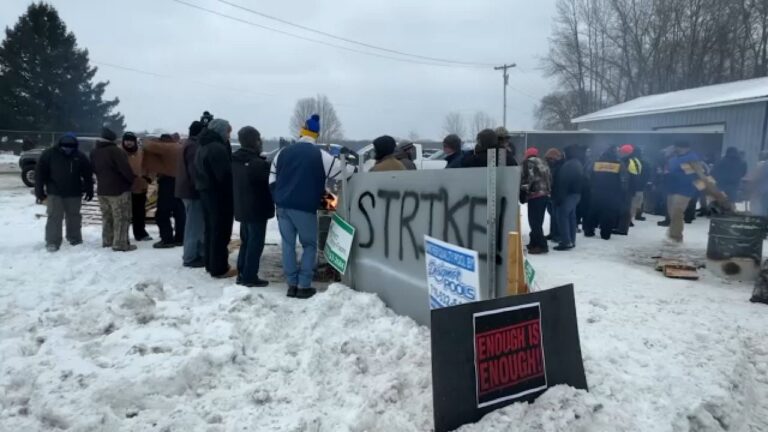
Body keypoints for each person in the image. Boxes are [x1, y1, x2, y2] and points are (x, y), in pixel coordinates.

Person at [270, 114, 350, 299]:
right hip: (304, 209)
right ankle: (304, 285)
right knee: (309, 245)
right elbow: (343, 173)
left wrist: (279, 197)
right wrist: (328, 201)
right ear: (316, 136)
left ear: (300, 134)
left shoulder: (283, 153)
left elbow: (272, 178)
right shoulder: (321, 155)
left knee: (288, 245)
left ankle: (291, 284)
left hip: (282, 207)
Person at [35, 134, 94, 252]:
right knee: (54, 217)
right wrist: (39, 191)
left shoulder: (80, 156)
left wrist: (89, 189)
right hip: (55, 192)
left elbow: (87, 174)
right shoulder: (49, 154)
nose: (68, 149)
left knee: (74, 217)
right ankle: (52, 241)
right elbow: (40, 175)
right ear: (60, 145)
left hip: (74, 192)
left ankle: (75, 238)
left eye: (71, 147)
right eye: (65, 147)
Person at [232, 126, 274, 288]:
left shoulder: (235, 160)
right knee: (255, 244)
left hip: (242, 207)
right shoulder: (257, 164)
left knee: (246, 242)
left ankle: (242, 273)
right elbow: (269, 182)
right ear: (254, 141)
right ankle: (250, 276)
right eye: (259, 139)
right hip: (257, 208)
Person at [194, 118, 236, 278]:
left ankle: (210, 263)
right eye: (227, 132)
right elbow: (224, 176)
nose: (228, 135)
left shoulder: (202, 145)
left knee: (211, 229)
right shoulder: (217, 148)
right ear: (220, 130)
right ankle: (220, 268)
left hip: (205, 192)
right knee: (221, 230)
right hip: (219, 195)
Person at [90, 127, 137, 252]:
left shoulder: (94, 152)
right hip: (118, 190)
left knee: (107, 216)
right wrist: (132, 179)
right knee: (121, 217)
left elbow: (94, 169)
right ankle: (120, 244)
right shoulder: (116, 151)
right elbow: (125, 170)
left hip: (102, 190)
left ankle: (107, 240)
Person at [144, 134, 185, 248]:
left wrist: (153, 140)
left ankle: (167, 239)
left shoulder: (167, 147)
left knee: (162, 213)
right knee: (179, 212)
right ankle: (180, 238)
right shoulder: (179, 147)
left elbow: (147, 145)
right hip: (180, 181)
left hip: (167, 182)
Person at [175, 121, 205, 268]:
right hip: (192, 192)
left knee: (195, 224)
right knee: (194, 226)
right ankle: (190, 257)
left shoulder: (186, 144)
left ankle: (196, 253)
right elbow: (195, 171)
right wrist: (201, 187)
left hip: (185, 190)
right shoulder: (194, 147)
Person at [584, 147, 624, 240]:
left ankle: (589, 231)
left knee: (593, 211)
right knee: (608, 213)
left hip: (596, 191)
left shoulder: (597, 163)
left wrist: (592, 185)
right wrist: (621, 191)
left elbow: (588, 174)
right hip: (612, 193)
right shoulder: (618, 164)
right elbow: (624, 179)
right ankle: (605, 233)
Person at [666, 141, 701, 243]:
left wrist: (700, 187)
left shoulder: (691, 158)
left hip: (685, 190)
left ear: (687, 148)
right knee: (672, 212)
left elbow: (697, 174)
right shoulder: (674, 158)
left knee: (677, 211)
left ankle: (676, 236)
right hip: (672, 188)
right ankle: (672, 232)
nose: (677, 149)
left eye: (679, 147)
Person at [551, 145, 584, 251]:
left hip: (568, 195)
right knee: (571, 217)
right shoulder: (577, 163)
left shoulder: (569, 165)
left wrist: (559, 198)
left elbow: (563, 182)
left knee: (562, 216)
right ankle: (571, 240)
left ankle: (566, 241)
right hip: (576, 194)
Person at [121, 132, 152, 242]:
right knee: (123, 213)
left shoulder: (141, 152)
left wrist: (148, 177)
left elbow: (148, 165)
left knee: (139, 212)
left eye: (131, 140)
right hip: (124, 188)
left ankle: (140, 233)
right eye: (126, 140)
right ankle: (122, 236)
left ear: (134, 141)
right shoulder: (119, 152)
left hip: (140, 186)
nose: (128, 143)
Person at [521, 147, 551, 254]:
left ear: (527, 155)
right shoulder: (544, 163)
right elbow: (549, 179)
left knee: (534, 222)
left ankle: (541, 245)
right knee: (538, 221)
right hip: (544, 195)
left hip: (535, 195)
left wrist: (523, 192)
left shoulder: (528, 163)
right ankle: (534, 242)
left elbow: (528, 180)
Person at [615, 144, 640, 235]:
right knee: (624, 208)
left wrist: (625, 188)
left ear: (626, 152)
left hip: (627, 189)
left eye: (621, 151)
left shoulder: (629, 161)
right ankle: (620, 227)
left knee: (625, 209)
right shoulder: (635, 160)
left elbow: (631, 177)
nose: (620, 153)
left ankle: (622, 229)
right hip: (629, 188)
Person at [544, 148, 565, 243]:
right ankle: (553, 233)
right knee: (552, 214)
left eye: (549, 159)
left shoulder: (560, 167)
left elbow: (556, 181)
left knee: (556, 215)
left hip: (556, 194)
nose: (548, 161)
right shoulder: (553, 166)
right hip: (551, 193)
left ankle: (557, 234)